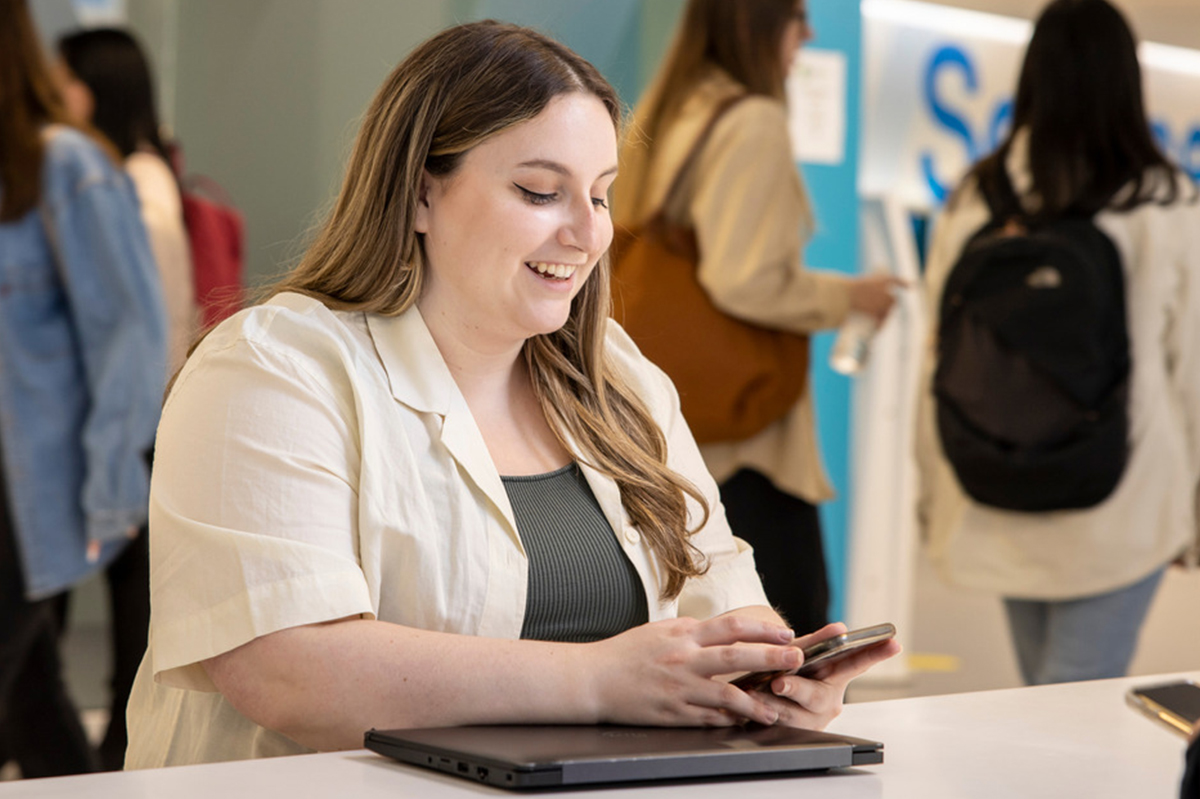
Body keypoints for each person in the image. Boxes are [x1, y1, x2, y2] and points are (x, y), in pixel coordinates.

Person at [124, 20, 901, 768]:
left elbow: (722, 601)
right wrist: (598, 679)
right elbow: (284, 668)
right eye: (539, 192)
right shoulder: (271, 368)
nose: (587, 233)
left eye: (599, 195)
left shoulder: (620, 379)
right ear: (421, 193)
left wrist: (765, 682)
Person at [915, 0, 1200, 685]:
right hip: (1120, 500)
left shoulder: (976, 197)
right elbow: (1190, 367)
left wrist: (933, 486)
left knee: (1047, 694)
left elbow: (939, 353)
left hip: (998, 484)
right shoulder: (1160, 200)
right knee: (1072, 703)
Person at [611, 0, 902, 633]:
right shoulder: (753, 121)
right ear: (758, 21)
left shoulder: (670, 110)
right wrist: (850, 297)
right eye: (796, 15)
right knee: (791, 638)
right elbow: (743, 278)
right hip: (747, 442)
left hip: (670, 430)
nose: (809, 32)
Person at [0, 0, 167, 778]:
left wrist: (108, 490)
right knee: (31, 699)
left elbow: (128, 335)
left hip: (24, 486)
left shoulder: (64, 166)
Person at [44, 26, 195, 772]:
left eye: (62, 77)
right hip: (134, 414)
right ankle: (98, 754)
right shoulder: (131, 172)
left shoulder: (127, 182)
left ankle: (100, 757)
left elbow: (144, 320)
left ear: (93, 86)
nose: (51, 90)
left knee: (100, 602)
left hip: (131, 417)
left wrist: (131, 424)